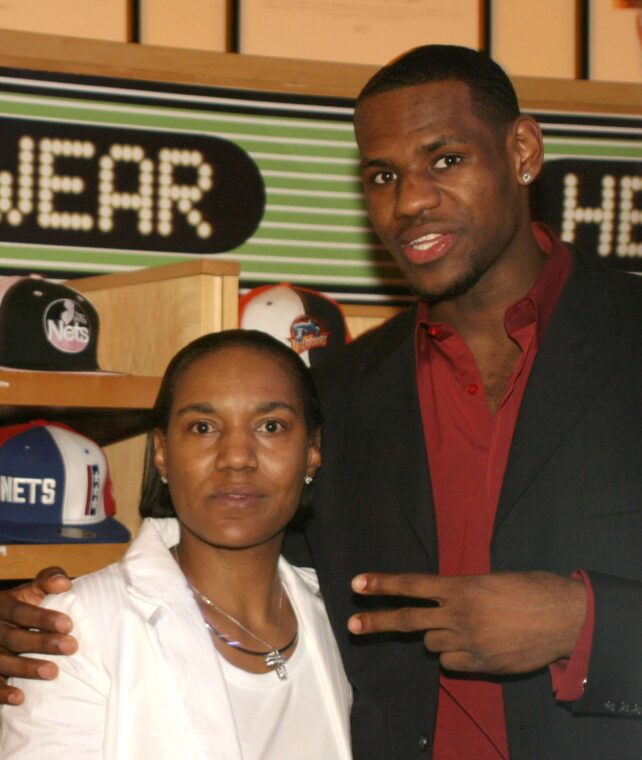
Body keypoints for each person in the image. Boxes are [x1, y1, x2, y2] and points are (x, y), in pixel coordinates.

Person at [0, 44, 641, 759]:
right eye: (383, 175)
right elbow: (232, 569)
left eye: (446, 160)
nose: (411, 201)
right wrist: (45, 616)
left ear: (522, 150)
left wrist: (584, 624)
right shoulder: (338, 393)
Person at [0, 329, 352, 758]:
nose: (237, 456)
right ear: (162, 453)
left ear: (312, 450)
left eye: (270, 426)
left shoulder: (337, 615)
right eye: (203, 427)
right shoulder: (78, 628)